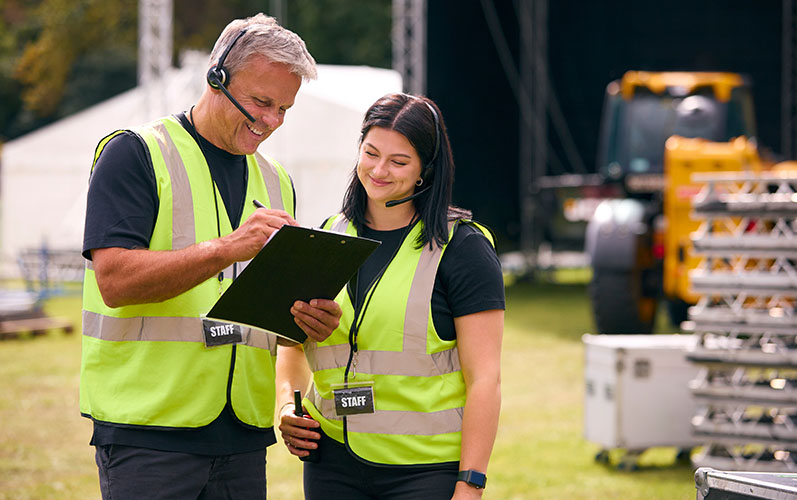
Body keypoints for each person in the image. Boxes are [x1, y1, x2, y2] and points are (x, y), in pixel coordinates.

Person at [80, 13, 341, 500]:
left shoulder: (277, 182)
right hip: (149, 434)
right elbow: (113, 281)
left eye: (285, 108)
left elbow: (270, 316)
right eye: (262, 102)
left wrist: (307, 320)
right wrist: (226, 249)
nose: (272, 121)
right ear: (216, 76)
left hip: (242, 435)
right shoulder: (134, 154)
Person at [276, 93, 505, 499]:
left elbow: (484, 377)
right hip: (332, 464)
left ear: (425, 171)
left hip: (424, 470)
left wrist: (470, 485)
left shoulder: (462, 249)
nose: (379, 170)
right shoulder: (329, 234)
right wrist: (287, 407)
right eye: (371, 153)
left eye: (399, 162)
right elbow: (292, 343)